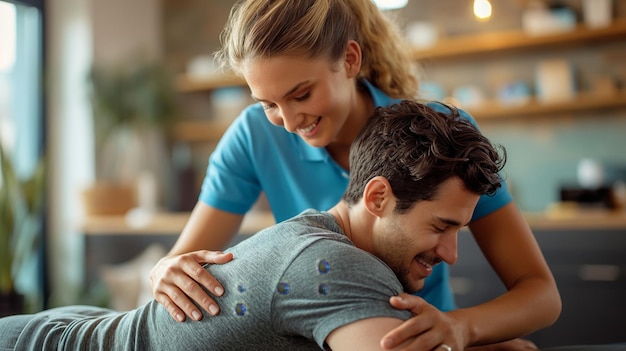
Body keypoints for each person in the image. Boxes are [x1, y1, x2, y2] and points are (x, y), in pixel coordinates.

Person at [149, 0, 561, 349]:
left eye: (301, 94)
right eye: (269, 103)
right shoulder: (254, 136)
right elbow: (187, 263)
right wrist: (163, 270)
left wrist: (462, 329)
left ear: (349, 60)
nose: (290, 122)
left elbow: (540, 293)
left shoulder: (438, 139)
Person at [0, 101, 555, 350]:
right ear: (378, 196)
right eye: (441, 226)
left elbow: (539, 294)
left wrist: (469, 333)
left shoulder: (341, 243)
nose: (454, 254)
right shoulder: (335, 266)